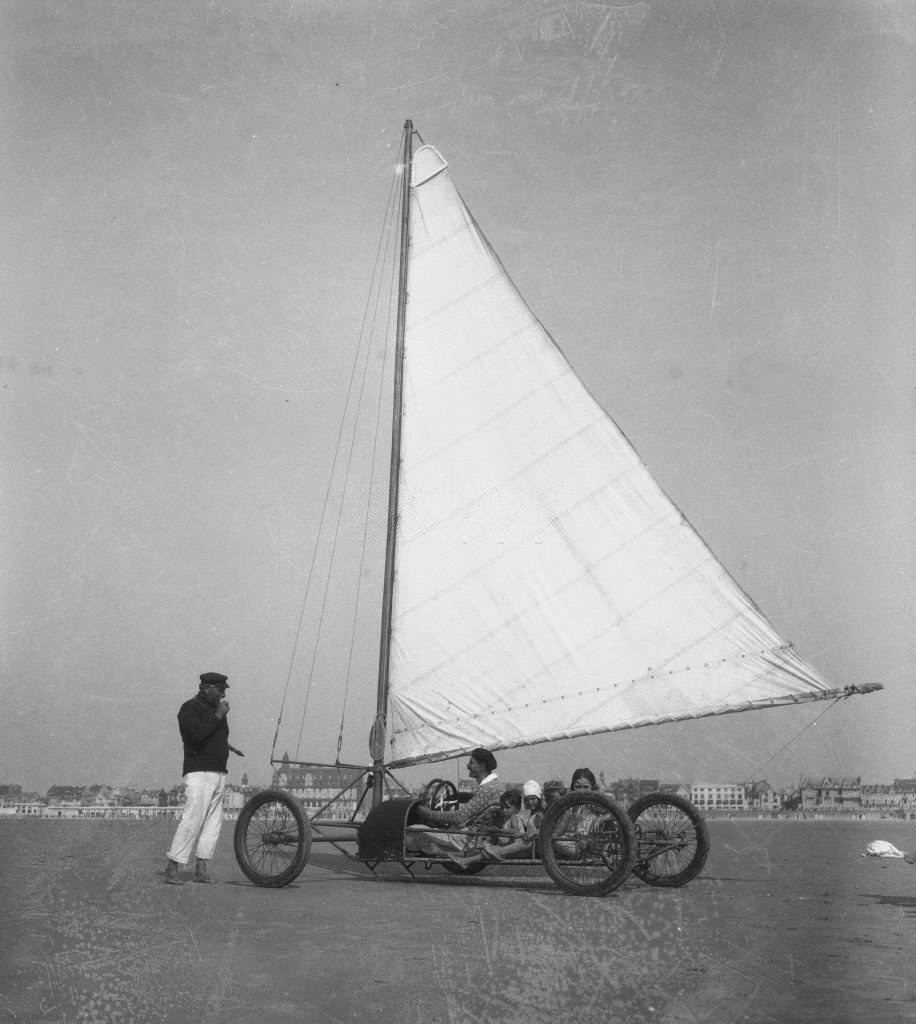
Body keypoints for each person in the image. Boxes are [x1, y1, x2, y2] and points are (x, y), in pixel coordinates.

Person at [164, 671, 243, 885]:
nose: (222, 694)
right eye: (220, 690)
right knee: (193, 818)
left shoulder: (212, 710)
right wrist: (218, 714)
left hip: (218, 771)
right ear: (206, 688)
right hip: (200, 771)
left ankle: (202, 866)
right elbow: (194, 736)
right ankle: (173, 865)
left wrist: (227, 746)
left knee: (213, 823)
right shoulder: (190, 708)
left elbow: (210, 734)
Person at [406, 748, 502, 860]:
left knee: (411, 830)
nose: (467, 766)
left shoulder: (487, 789)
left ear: (482, 766)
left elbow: (459, 817)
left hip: (469, 840)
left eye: (471, 763)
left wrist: (429, 814)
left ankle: (436, 852)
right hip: (475, 836)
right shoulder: (492, 786)